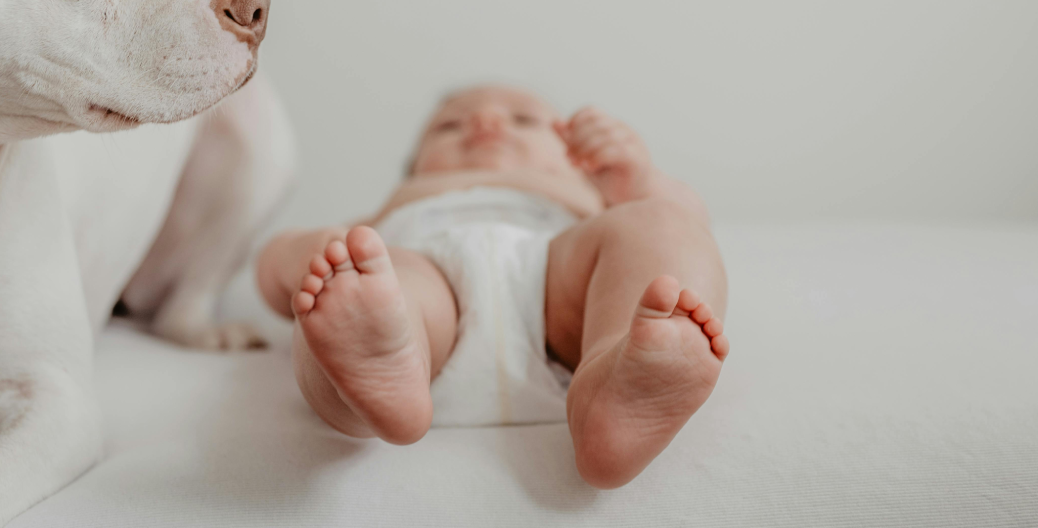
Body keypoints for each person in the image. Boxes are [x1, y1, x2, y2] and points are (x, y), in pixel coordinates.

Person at [256, 86, 728, 488]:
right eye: (448, 127)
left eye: (524, 120)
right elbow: (274, 269)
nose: (484, 121)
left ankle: (613, 376)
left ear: (578, 162)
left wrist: (638, 180)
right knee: (351, 282)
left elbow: (691, 222)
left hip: (560, 281)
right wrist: (303, 251)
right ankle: (368, 378)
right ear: (416, 166)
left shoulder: (594, 196)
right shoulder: (395, 211)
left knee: (658, 223)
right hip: (422, 286)